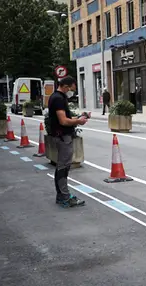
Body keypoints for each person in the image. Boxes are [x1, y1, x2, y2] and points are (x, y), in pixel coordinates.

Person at [47, 76, 89, 208]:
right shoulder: (58, 99)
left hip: (62, 136)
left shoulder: (57, 97)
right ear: (66, 86)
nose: (73, 90)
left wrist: (79, 117)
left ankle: (61, 195)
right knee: (63, 167)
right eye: (72, 88)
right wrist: (79, 121)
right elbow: (63, 121)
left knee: (62, 166)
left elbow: (66, 117)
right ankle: (65, 197)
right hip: (63, 137)